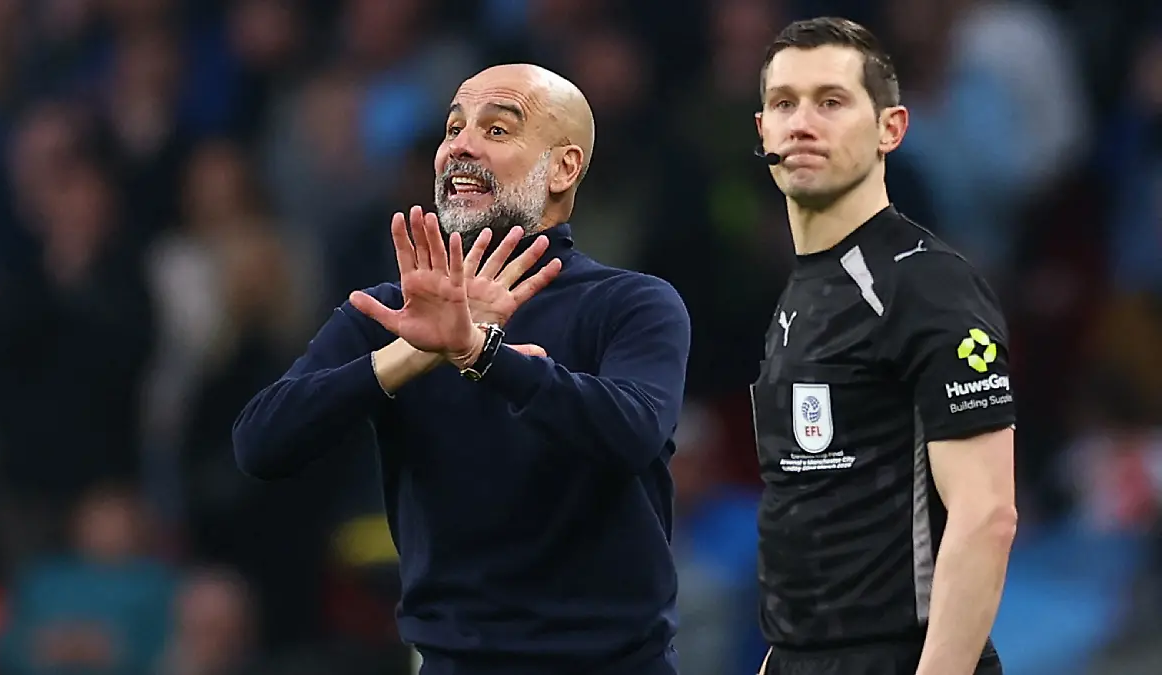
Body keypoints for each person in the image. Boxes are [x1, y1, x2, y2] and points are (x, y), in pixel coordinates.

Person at [232, 63, 691, 675]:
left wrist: (484, 357)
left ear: (563, 167)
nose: (461, 146)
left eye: (497, 131)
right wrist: (414, 353)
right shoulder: (392, 316)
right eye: (453, 129)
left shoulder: (631, 303)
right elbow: (261, 443)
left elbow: (631, 430)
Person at [748, 17, 1018, 675]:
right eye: (784, 103)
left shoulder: (925, 280)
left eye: (831, 102)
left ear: (891, 128)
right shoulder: (801, 293)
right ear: (762, 131)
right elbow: (806, 509)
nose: (802, 122)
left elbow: (987, 515)